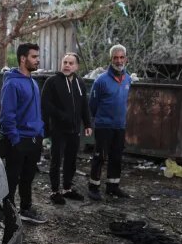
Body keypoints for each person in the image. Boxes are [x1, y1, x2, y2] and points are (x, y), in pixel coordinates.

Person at [0, 43, 47, 224]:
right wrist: (15, 139)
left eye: (37, 57)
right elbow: (7, 115)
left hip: (34, 139)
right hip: (19, 140)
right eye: (34, 57)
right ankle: (8, 214)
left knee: (28, 177)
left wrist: (40, 131)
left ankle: (26, 209)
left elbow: (37, 111)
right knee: (12, 178)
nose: (37, 60)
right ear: (23, 58)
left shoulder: (33, 82)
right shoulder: (12, 83)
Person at [41, 52, 93, 205]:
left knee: (71, 160)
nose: (67, 65)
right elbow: (45, 104)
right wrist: (60, 116)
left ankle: (67, 188)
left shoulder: (79, 82)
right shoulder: (52, 82)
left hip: (74, 129)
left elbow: (84, 105)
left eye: (71, 63)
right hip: (58, 129)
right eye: (65, 62)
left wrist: (88, 124)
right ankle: (55, 191)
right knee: (56, 160)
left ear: (76, 66)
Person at [88, 44, 132, 200]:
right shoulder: (101, 80)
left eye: (121, 57)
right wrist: (97, 120)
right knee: (99, 157)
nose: (119, 61)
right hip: (104, 126)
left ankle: (113, 187)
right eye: (115, 58)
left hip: (119, 126)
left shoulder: (128, 78)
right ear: (111, 59)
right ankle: (93, 187)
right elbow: (92, 104)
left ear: (126, 59)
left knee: (116, 157)